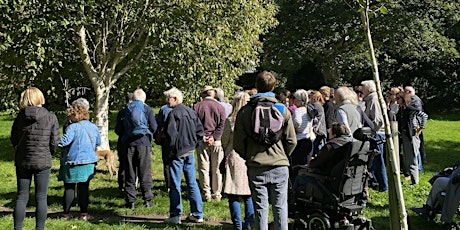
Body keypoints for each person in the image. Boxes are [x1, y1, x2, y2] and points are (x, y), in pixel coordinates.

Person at [234, 70, 297, 230]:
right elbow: (291, 141)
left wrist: (249, 156)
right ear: (273, 86)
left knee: (260, 209)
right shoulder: (283, 110)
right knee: (280, 208)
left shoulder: (245, 112)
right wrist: (282, 155)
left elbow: (238, 143)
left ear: (256, 85)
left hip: (256, 165)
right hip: (280, 165)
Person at [10, 87, 59, 230]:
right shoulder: (51, 117)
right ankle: (39, 228)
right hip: (43, 160)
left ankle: (17, 228)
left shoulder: (20, 117)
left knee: (22, 196)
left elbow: (14, 138)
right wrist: (49, 152)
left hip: (23, 160)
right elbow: (54, 142)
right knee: (41, 197)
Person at [162, 87, 205, 224]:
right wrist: (194, 145)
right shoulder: (191, 112)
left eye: (168, 98)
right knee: (192, 183)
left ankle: (175, 214)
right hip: (189, 152)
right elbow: (200, 132)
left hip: (177, 154)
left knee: (175, 184)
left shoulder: (173, 114)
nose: (166, 101)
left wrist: (169, 153)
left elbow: (170, 136)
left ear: (175, 99)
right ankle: (197, 214)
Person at [115, 89, 157, 208]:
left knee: (130, 172)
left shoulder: (123, 111)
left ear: (132, 98)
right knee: (145, 171)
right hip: (143, 143)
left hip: (128, 144)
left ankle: (130, 201)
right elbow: (154, 127)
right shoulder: (147, 109)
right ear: (144, 99)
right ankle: (147, 200)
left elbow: (118, 130)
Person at [57, 104, 101, 221]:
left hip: (73, 162)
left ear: (74, 115)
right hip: (89, 162)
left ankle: (66, 214)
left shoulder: (72, 127)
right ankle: (84, 214)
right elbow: (98, 142)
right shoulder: (93, 127)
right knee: (84, 188)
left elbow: (63, 142)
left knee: (69, 188)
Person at [221, 91, 254, 230]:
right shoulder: (253, 120)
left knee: (233, 192)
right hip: (249, 155)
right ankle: (249, 224)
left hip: (234, 155)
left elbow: (224, 139)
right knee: (248, 194)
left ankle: (238, 225)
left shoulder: (231, 120)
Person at [293, 122, 353, 192]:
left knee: (299, 176)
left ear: (334, 134)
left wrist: (313, 160)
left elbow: (313, 165)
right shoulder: (349, 145)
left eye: (330, 132)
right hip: (344, 182)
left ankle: (292, 200)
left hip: (326, 181)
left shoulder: (330, 146)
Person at [194, 85, 226, 202]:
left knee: (203, 168)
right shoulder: (220, 107)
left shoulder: (197, 106)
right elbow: (222, 125)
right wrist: (214, 137)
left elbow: (195, 124)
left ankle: (206, 193)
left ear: (203, 94)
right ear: (213, 94)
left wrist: (202, 136)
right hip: (216, 141)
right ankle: (217, 194)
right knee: (217, 168)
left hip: (202, 141)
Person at [361, 80, 388, 192]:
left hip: (377, 135)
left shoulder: (373, 100)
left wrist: (372, 132)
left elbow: (378, 121)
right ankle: (376, 183)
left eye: (363, 88)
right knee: (374, 161)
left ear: (368, 89)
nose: (361, 91)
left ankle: (383, 186)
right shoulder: (371, 99)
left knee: (378, 161)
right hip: (375, 134)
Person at [396, 92, 428, 185]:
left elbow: (424, 116)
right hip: (405, 135)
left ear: (403, 99)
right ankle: (413, 179)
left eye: (398, 98)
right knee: (407, 159)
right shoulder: (401, 109)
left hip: (412, 136)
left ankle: (415, 182)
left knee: (412, 158)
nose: (396, 100)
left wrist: (421, 128)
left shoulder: (410, 109)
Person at [290, 89, 314, 181]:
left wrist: (294, 128)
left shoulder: (297, 111)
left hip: (299, 141)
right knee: (305, 166)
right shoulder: (308, 110)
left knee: (297, 167)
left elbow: (297, 122)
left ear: (299, 100)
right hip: (308, 139)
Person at [116, 93, 134, 192]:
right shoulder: (139, 111)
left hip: (123, 141)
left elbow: (117, 129)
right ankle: (132, 185)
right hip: (135, 141)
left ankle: (122, 185)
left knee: (123, 164)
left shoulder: (122, 112)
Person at [155, 103, 173, 192]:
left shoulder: (164, 109)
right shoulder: (182, 109)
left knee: (167, 163)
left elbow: (158, 124)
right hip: (178, 139)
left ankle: (169, 185)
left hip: (166, 138)